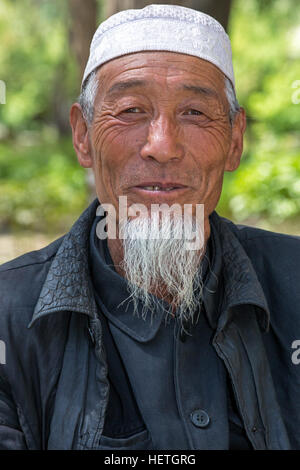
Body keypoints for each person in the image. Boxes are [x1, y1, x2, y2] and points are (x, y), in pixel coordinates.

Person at [0, 4, 299, 451]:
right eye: (131, 110)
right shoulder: (9, 316)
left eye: (195, 113)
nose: (162, 146)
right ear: (83, 136)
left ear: (235, 142)